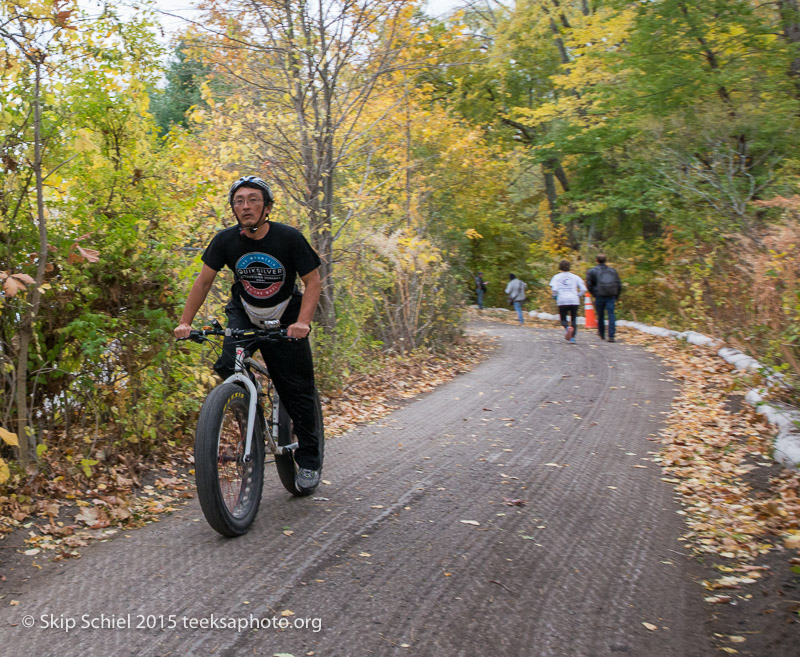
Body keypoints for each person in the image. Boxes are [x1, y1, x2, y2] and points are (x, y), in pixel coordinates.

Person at [173, 175, 324, 493]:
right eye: (239, 201)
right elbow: (203, 282)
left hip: (286, 315)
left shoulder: (289, 238)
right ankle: (247, 406)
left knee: (298, 391)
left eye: (253, 199)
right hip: (245, 312)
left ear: (267, 207)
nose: (246, 206)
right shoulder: (225, 240)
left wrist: (304, 323)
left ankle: (309, 461)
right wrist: (185, 322)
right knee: (228, 365)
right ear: (233, 208)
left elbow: (313, 282)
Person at [586, 253, 622, 343]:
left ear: (597, 260)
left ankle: (602, 334)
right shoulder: (612, 271)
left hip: (599, 295)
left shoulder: (592, 271)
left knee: (600, 315)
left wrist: (594, 293)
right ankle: (611, 335)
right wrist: (616, 295)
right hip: (611, 295)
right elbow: (619, 284)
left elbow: (589, 284)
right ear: (606, 260)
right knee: (611, 315)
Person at [549, 260, 587, 344]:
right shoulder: (575, 277)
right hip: (574, 300)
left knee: (563, 319)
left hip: (562, 300)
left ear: (560, 267)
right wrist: (578, 295)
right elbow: (584, 288)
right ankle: (573, 338)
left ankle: (567, 328)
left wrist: (554, 296)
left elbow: (554, 289)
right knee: (573, 319)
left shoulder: (556, 277)